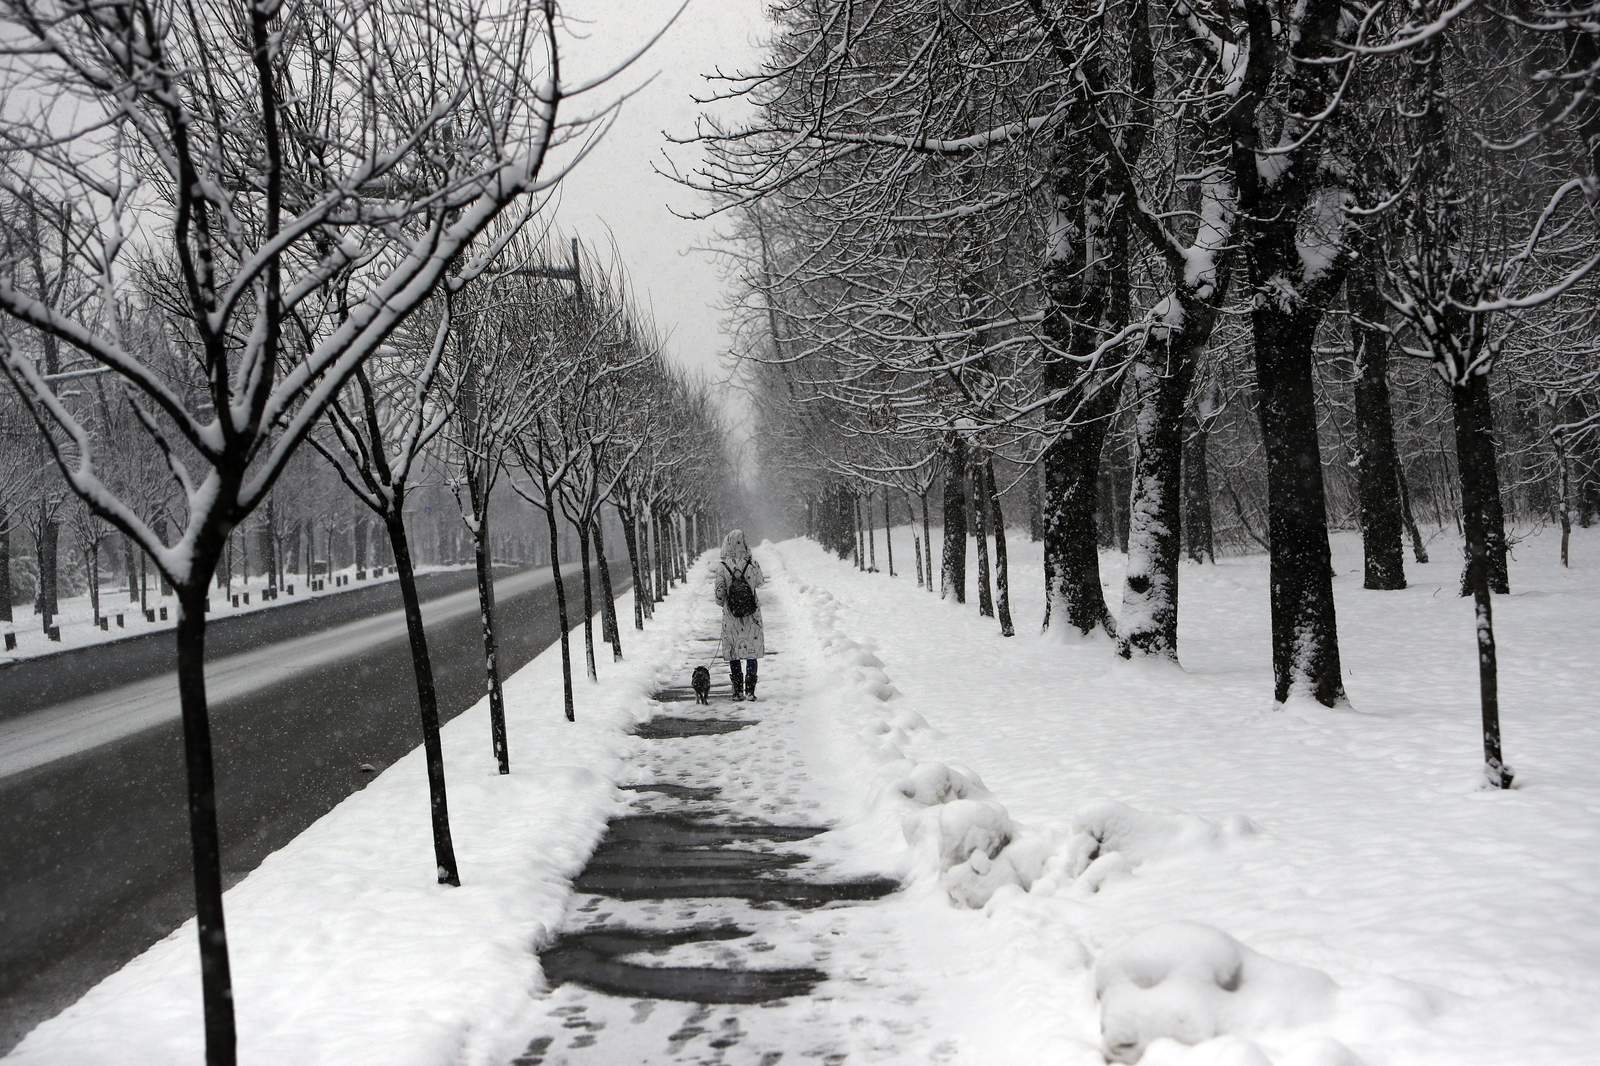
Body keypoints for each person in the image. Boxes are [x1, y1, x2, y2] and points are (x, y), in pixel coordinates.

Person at [713, 529, 766, 701]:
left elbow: (719, 596)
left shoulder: (722, 567)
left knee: (734, 653)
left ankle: (737, 691)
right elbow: (760, 582)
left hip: (731, 616)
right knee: (751, 652)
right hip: (751, 615)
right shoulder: (751, 563)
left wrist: (727, 599)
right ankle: (750, 691)